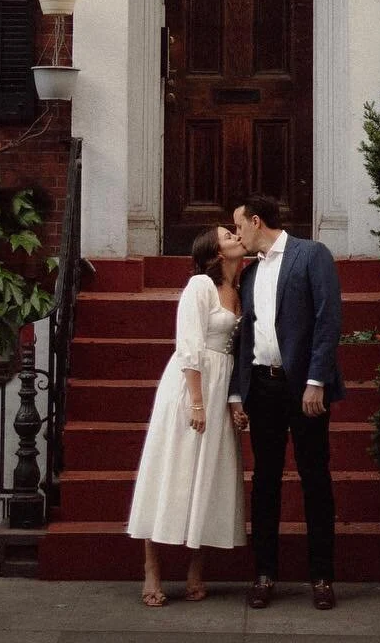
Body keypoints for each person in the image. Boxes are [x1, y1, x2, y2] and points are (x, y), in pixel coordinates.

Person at [228, 194, 344, 612]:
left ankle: (322, 577)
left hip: (304, 388)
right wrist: (237, 393)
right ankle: (264, 574)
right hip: (263, 387)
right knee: (265, 481)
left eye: (238, 225)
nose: (237, 234)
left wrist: (316, 381)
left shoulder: (311, 255)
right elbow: (244, 337)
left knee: (315, 478)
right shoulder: (249, 273)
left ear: (256, 221)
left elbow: (328, 319)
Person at [126, 223, 247, 606]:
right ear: (216, 252)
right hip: (190, 386)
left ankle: (196, 569)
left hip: (221, 386)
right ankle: (152, 569)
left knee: (208, 473)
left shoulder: (241, 290)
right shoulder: (200, 286)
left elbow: (237, 352)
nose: (236, 236)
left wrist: (233, 400)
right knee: (171, 469)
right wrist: (196, 401)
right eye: (227, 236)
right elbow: (189, 345)